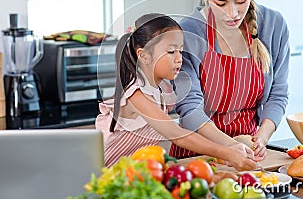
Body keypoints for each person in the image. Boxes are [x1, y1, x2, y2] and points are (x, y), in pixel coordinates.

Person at [95, 13, 258, 170]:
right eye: (171, 51)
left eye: (181, 51)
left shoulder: (164, 89)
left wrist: (231, 146)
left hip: (137, 173)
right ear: (144, 56)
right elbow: (176, 134)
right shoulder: (135, 94)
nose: (179, 58)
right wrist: (227, 152)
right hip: (107, 176)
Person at [169, 0, 290, 159]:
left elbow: (277, 94)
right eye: (220, 3)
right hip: (198, 155)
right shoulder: (188, 32)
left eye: (241, 1)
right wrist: (229, 147)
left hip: (250, 151)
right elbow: (189, 108)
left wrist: (262, 137)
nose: (232, 13)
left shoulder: (274, 25)